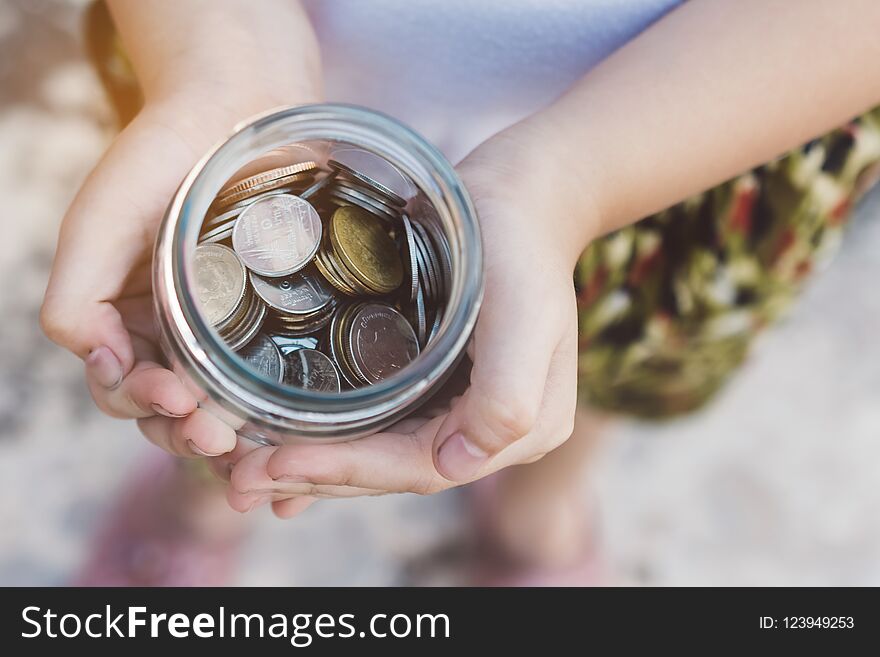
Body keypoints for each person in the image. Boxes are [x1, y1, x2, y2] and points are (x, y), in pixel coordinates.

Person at [41, 0, 880, 585]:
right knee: (212, 382)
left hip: (692, 128)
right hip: (262, 93)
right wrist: (214, 52)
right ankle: (207, 498)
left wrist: (575, 180)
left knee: (605, 353)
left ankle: (536, 516)